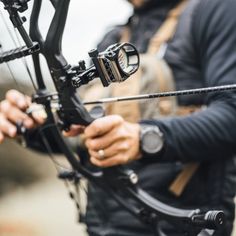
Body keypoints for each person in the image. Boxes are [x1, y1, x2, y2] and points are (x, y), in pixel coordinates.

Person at [0, 0, 236, 235]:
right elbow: (77, 132)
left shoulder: (216, 10)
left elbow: (231, 115)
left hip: (182, 225)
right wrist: (29, 127)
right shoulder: (114, 38)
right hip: (101, 227)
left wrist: (144, 138)